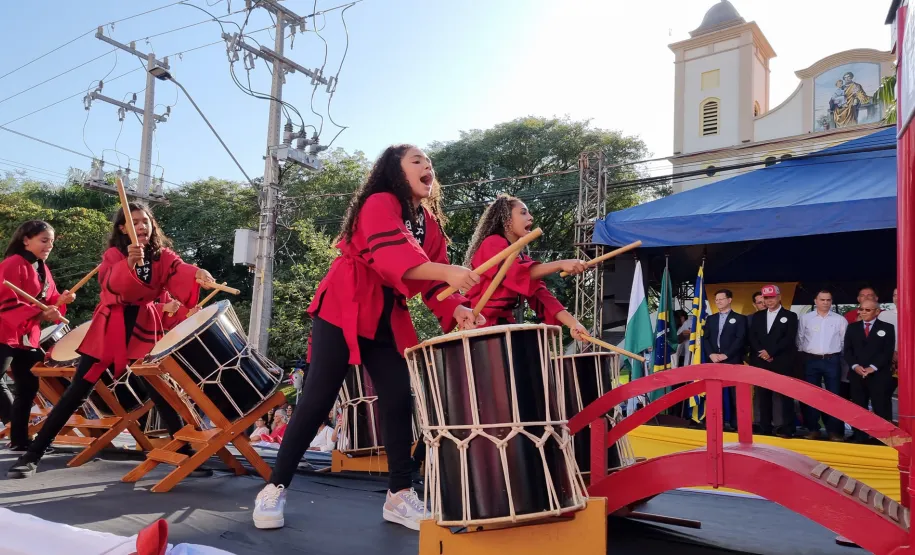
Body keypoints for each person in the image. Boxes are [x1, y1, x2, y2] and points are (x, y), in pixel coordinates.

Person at [252, 144, 483, 532]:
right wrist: (446, 274)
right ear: (396, 170)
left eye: (429, 163)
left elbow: (429, 282)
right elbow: (401, 260)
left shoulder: (428, 222)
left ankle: (398, 494)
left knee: (398, 398)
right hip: (345, 302)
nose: (428, 165)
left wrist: (456, 306)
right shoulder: (379, 202)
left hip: (386, 314)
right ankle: (274, 487)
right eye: (417, 161)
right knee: (316, 400)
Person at [7, 203, 218, 478]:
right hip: (111, 326)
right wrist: (128, 262)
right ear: (122, 228)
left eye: (146, 221)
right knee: (76, 392)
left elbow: (179, 269)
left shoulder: (162, 256)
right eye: (135, 222)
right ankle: (32, 455)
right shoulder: (113, 255)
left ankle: (185, 452)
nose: (141, 226)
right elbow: (110, 285)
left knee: (158, 390)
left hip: (143, 324)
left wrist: (197, 273)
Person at [462, 194, 588, 337]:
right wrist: (560, 264)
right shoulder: (491, 244)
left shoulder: (521, 258)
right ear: (507, 220)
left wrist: (573, 324)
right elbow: (518, 274)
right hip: (478, 324)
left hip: (502, 326)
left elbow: (542, 296)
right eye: (523, 212)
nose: (530, 217)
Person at [0, 221, 74, 451]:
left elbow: (49, 301)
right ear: (26, 240)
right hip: (5, 332)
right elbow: (6, 301)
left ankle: (20, 440)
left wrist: (60, 302)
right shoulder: (12, 263)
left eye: (51, 242)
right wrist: (41, 313)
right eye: (44, 240)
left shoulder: (43, 268)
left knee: (28, 388)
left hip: (26, 336)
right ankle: (13, 427)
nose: (49, 246)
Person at [796, 289, 847, 441]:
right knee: (810, 395)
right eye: (822, 300)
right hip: (810, 360)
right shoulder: (806, 318)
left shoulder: (839, 320)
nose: (825, 303)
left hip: (832, 360)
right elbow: (800, 339)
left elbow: (844, 342)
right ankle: (813, 429)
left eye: (828, 300)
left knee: (834, 395)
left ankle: (834, 432)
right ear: (815, 301)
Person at [748, 285, 799, 438]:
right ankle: (764, 426)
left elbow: (789, 338)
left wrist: (770, 352)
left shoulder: (790, 316)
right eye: (766, 298)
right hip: (761, 361)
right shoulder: (758, 316)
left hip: (781, 360)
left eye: (772, 297)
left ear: (779, 297)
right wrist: (762, 353)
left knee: (784, 395)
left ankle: (786, 427)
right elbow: (753, 337)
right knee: (762, 395)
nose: (769, 301)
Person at [844, 299, 895, 442]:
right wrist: (855, 366)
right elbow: (847, 351)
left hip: (879, 375)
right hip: (857, 374)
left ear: (877, 311)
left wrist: (872, 368)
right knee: (859, 407)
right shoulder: (852, 328)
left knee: (881, 407)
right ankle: (860, 436)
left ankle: (883, 438)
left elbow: (887, 352)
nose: (863, 312)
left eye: (868, 310)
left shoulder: (887, 328)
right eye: (861, 309)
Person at [702, 289, 747, 429]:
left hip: (732, 360)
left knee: (735, 394)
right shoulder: (711, 318)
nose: (718, 302)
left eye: (721, 299)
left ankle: (736, 423)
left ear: (729, 300)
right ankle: (717, 423)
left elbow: (741, 339)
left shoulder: (740, 318)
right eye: (716, 300)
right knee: (715, 394)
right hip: (714, 360)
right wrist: (711, 354)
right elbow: (705, 338)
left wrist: (726, 354)